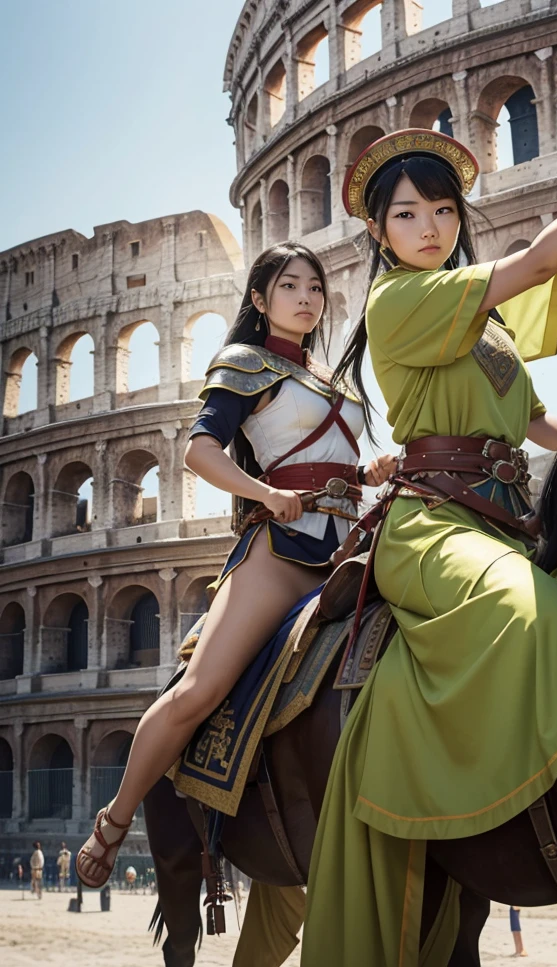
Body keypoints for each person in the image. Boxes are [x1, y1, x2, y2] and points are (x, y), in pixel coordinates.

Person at [298, 89, 557, 967]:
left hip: (505, 510)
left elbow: (538, 420)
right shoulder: (403, 302)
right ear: (382, 237)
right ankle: (506, 801)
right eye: (407, 216)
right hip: (431, 525)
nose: (429, 228)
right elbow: (546, 256)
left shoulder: (486, 328)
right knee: (526, 606)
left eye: (442, 211)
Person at [76, 242, 395, 888]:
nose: (306, 298)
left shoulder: (332, 378)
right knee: (199, 691)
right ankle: (116, 818)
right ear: (259, 299)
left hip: (347, 547)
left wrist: (368, 473)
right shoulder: (245, 364)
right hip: (278, 556)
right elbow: (199, 452)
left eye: (314, 288)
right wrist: (263, 493)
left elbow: (332, 468)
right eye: (290, 286)